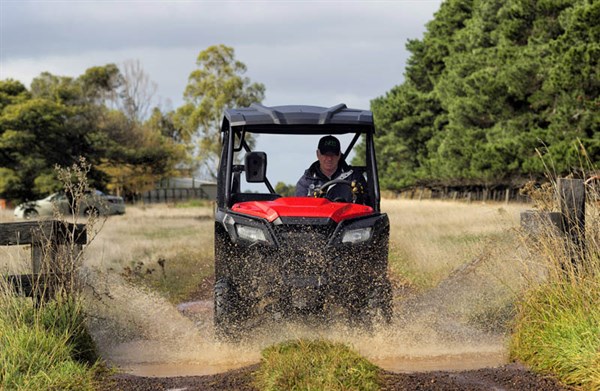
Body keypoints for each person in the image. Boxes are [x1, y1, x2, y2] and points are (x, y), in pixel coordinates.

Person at [295, 135, 368, 203]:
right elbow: (299, 210)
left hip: (349, 216)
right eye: (325, 154)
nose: (329, 158)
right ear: (318, 154)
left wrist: (359, 196)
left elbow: (368, 205)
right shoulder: (306, 181)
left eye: (333, 154)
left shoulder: (354, 177)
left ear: (339, 155)